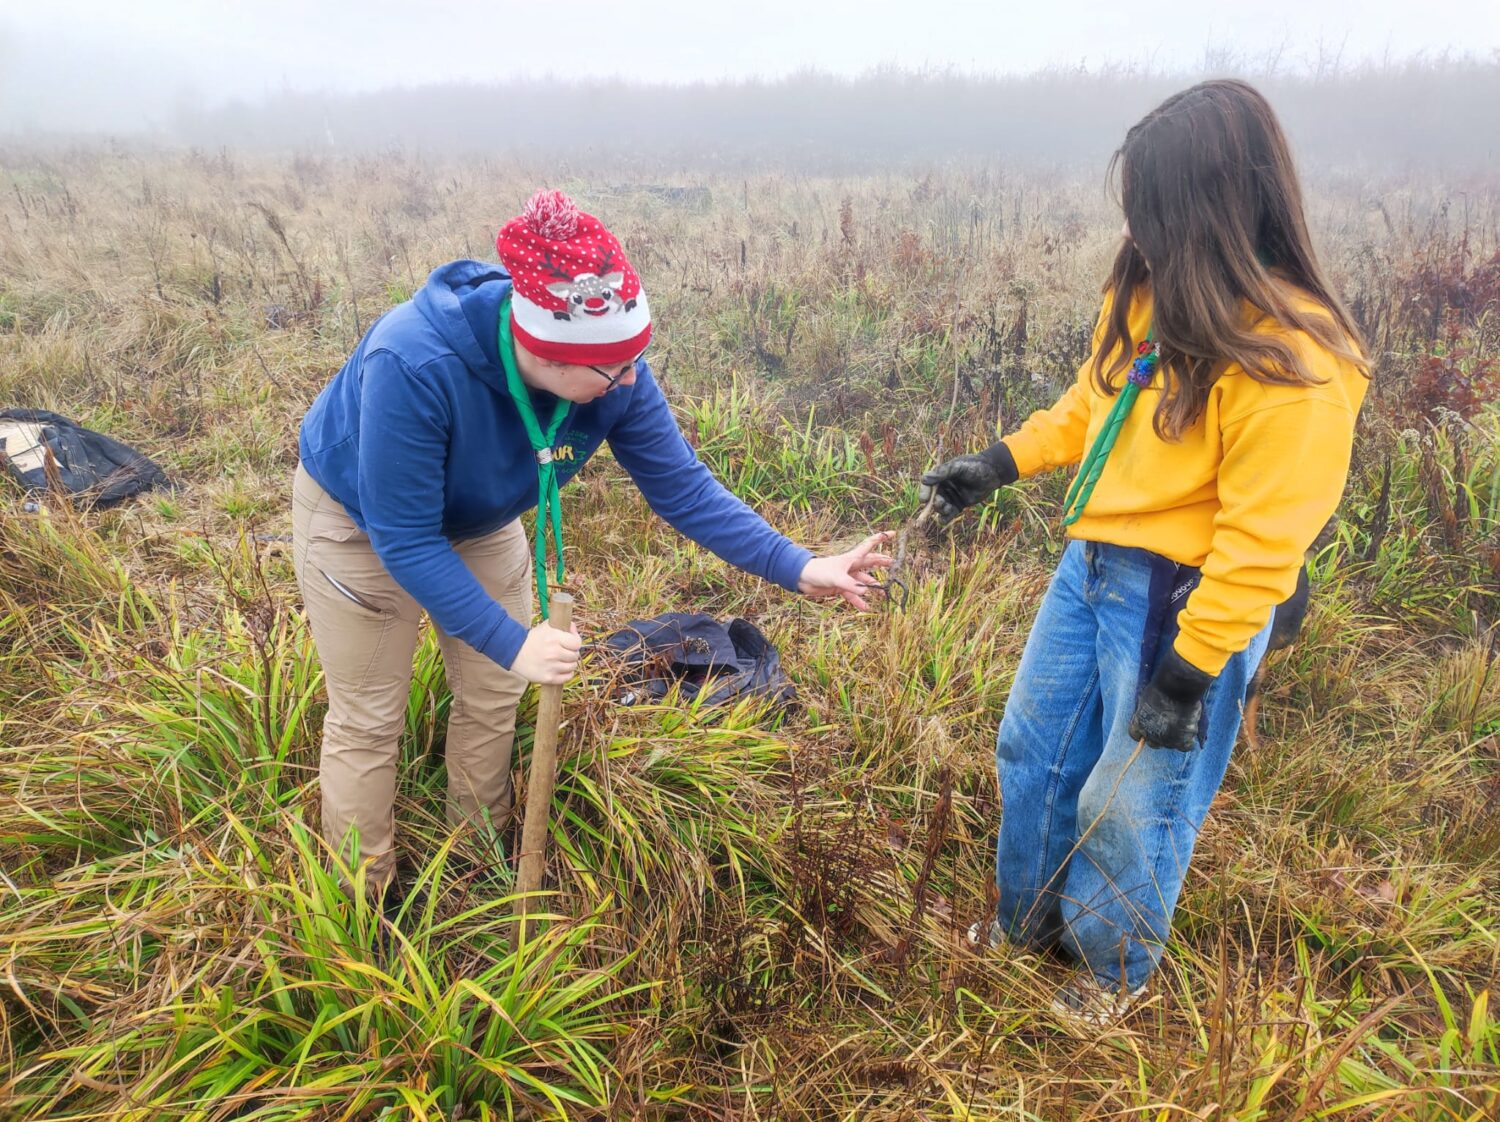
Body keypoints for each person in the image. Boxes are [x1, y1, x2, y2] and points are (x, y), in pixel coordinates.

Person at [293, 189, 890, 901]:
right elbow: (406, 539)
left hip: (478, 518)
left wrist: (799, 564)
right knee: (370, 717)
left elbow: (684, 489)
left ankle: (474, 864)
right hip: (361, 523)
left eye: (636, 359)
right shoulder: (414, 361)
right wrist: (513, 639)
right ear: (540, 353)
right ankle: (365, 907)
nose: (632, 380)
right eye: (611, 370)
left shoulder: (614, 373)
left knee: (492, 693)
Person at [918, 80, 1368, 1024]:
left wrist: (1187, 675)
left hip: (1183, 601)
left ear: (1211, 208)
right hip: (1088, 571)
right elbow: (1096, 403)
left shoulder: (1295, 361)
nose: (1135, 228)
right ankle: (1024, 924)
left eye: (1152, 210)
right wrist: (1001, 462)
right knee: (1031, 751)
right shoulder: (1151, 292)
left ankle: (1109, 973)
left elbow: (1261, 544)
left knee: (1129, 801)